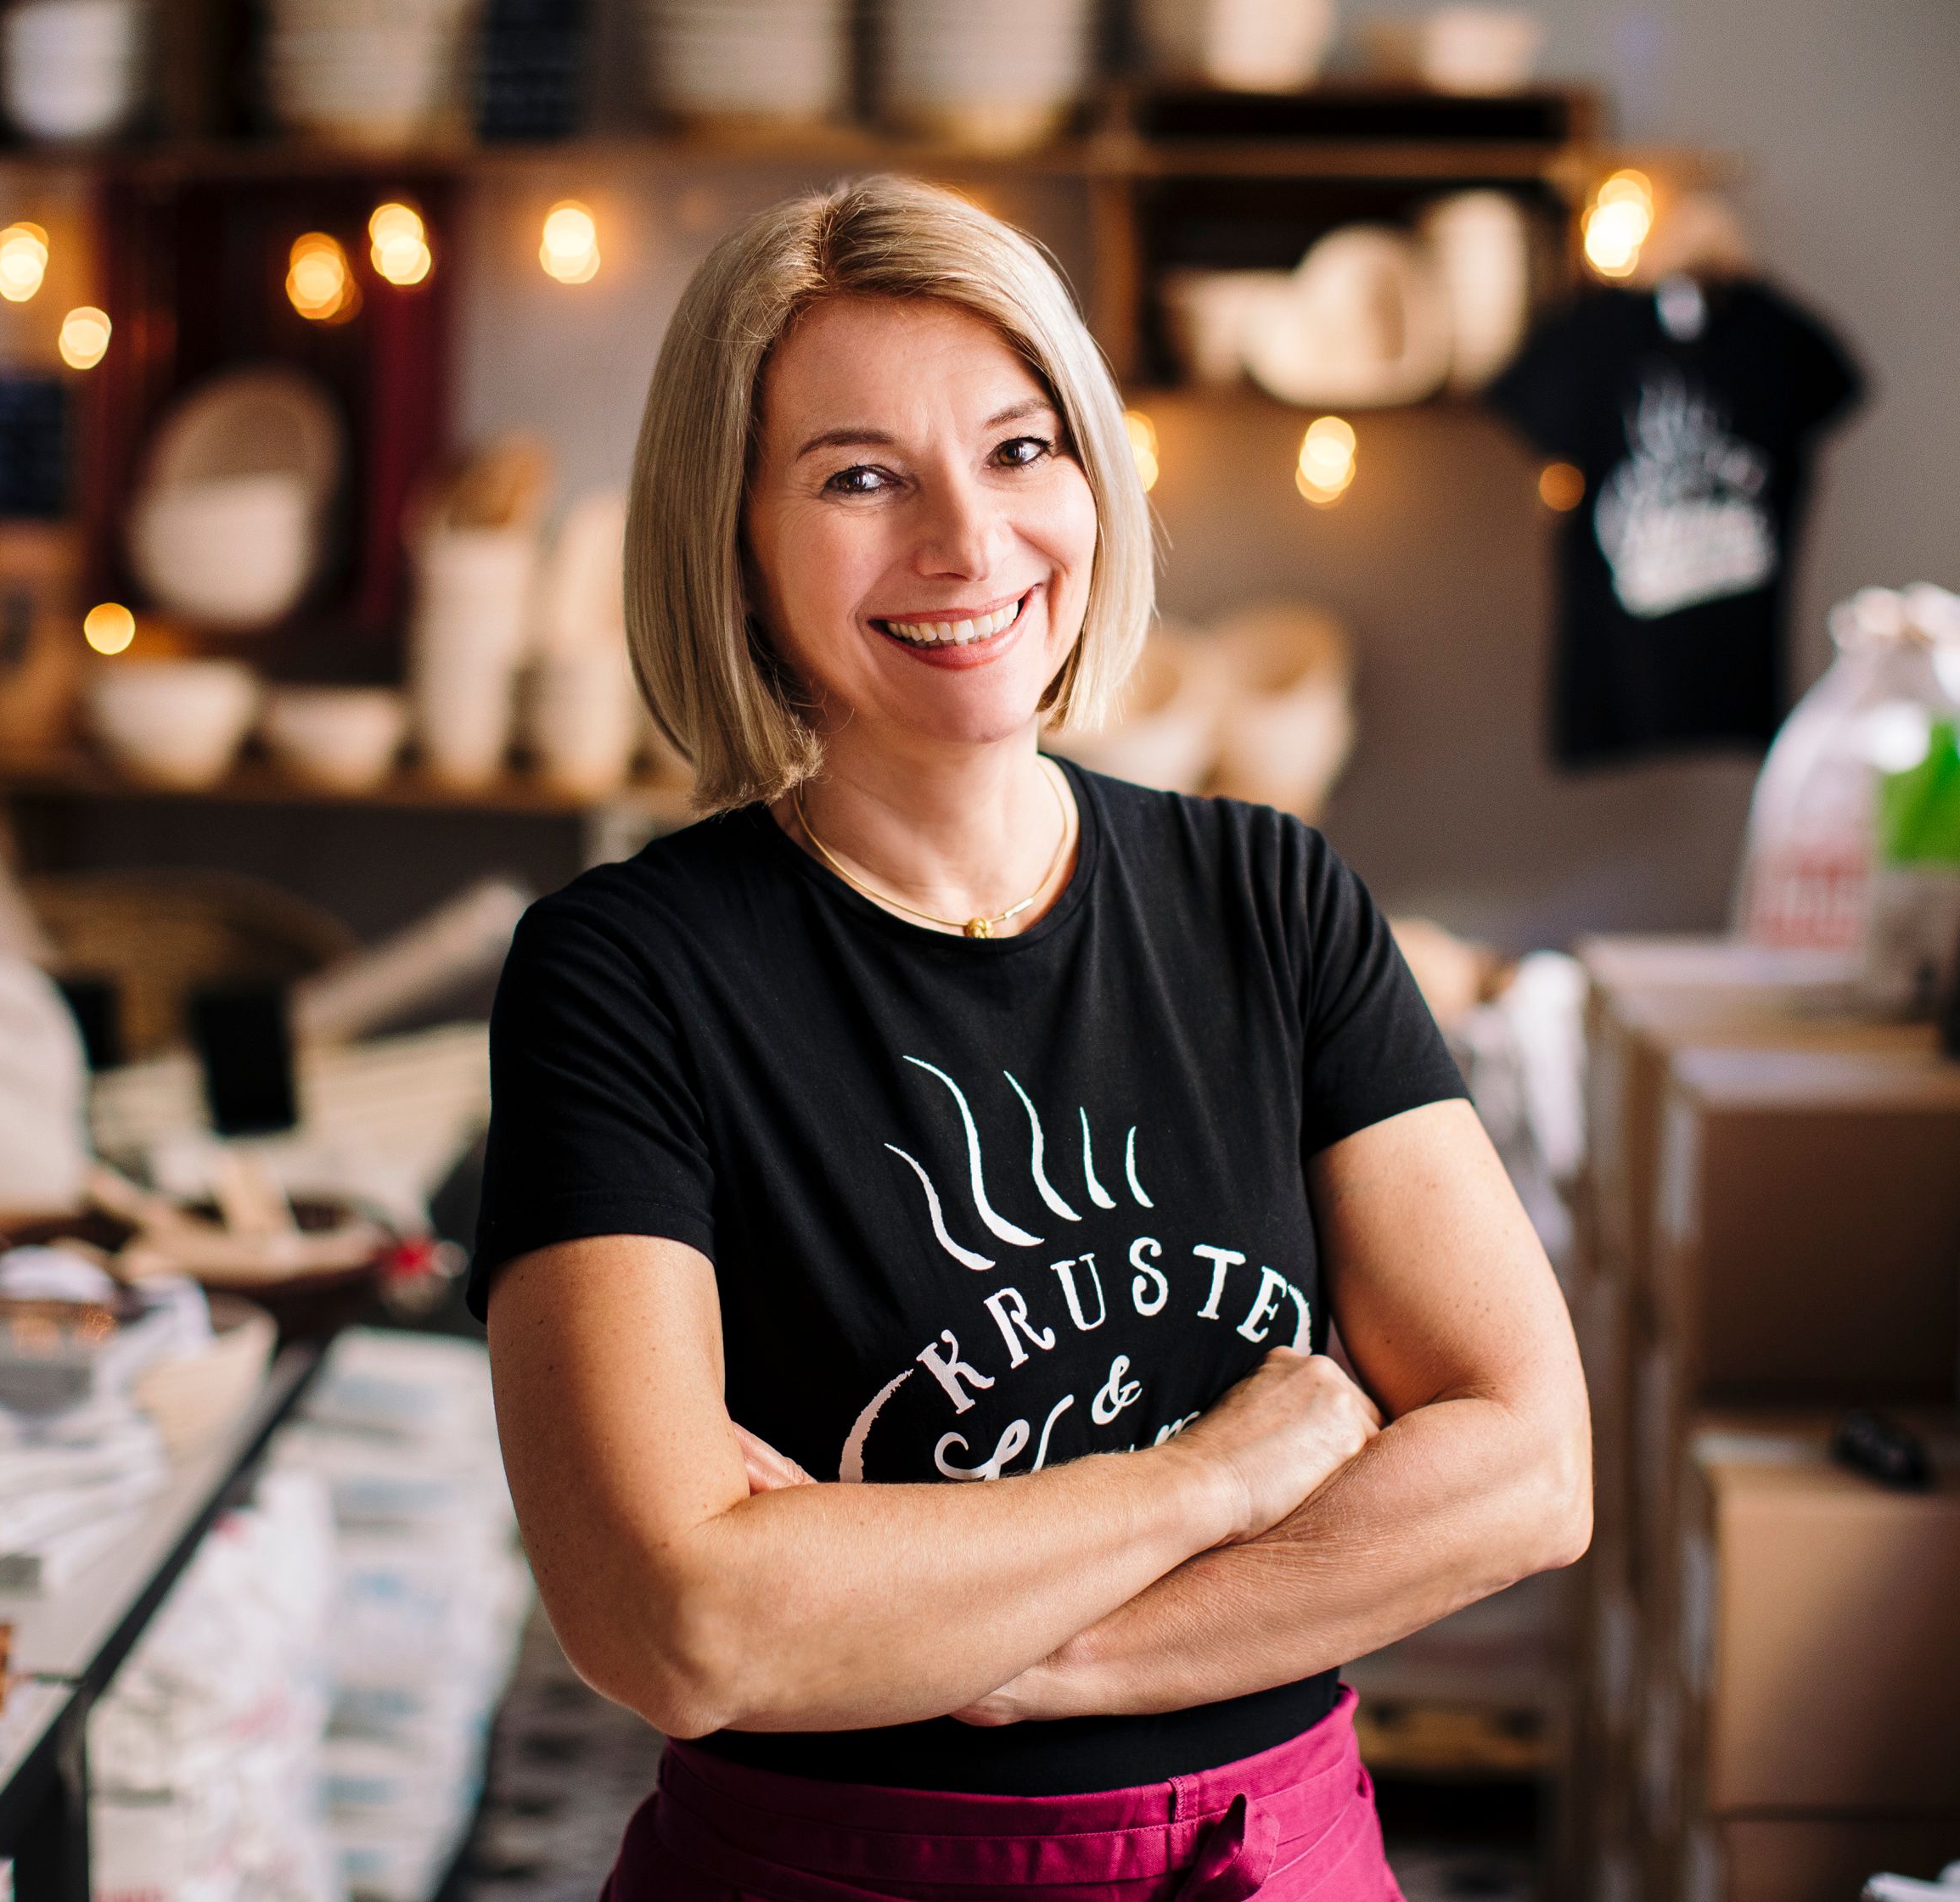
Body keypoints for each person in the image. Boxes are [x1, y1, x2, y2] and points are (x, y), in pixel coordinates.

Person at [475, 175, 1590, 1902]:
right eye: (857, 475)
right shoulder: (624, 971)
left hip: (1266, 1857)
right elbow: (679, 1619)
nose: (963, 540)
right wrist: (1223, 1470)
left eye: (1018, 448)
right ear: (734, 541)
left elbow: (1526, 1466)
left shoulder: (1266, 896)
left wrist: (1005, 1649)